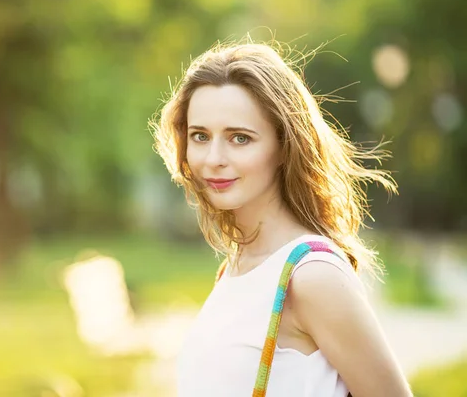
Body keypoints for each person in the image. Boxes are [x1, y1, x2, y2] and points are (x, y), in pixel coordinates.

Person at [151, 40, 413, 397]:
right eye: (200, 136)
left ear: (283, 146)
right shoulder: (237, 265)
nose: (213, 158)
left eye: (239, 138)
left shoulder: (311, 274)